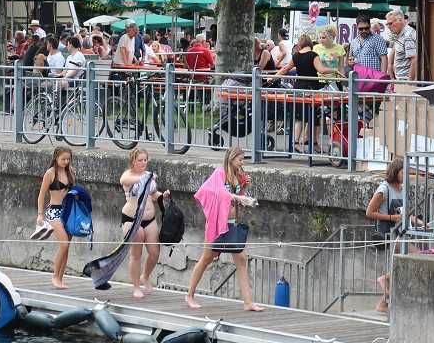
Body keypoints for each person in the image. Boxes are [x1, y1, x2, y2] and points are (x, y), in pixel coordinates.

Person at [185, 146, 264, 312]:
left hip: (232, 223)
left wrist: (243, 187)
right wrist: (235, 196)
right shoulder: (219, 173)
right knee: (206, 259)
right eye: (240, 159)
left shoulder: (237, 175)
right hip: (217, 223)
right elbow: (211, 191)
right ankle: (189, 295)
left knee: (241, 259)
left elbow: (236, 195)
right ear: (232, 158)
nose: (242, 162)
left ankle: (248, 302)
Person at [273, 34, 338, 153]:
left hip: (299, 87)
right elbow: (321, 70)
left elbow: (285, 69)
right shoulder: (314, 55)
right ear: (310, 44)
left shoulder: (296, 56)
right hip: (311, 88)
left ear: (300, 44)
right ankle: (313, 143)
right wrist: (334, 70)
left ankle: (296, 142)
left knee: (300, 117)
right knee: (314, 116)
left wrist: (273, 78)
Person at [119, 149, 169, 298]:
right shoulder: (128, 175)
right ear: (133, 161)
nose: (142, 163)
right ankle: (136, 287)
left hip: (150, 219)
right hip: (132, 220)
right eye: (139, 160)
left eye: (145, 160)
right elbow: (124, 181)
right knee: (136, 254)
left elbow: (153, 195)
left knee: (154, 253)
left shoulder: (148, 175)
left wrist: (163, 195)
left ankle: (145, 276)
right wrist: (146, 177)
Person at [366, 159, 409, 313]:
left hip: (399, 230)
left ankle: (383, 303)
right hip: (388, 231)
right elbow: (369, 212)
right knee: (410, 257)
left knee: (403, 263)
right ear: (395, 172)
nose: (406, 176)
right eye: (403, 173)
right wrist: (392, 218)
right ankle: (384, 279)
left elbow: (405, 213)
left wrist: (422, 223)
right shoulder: (384, 189)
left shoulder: (403, 188)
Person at [32, 146, 77, 289]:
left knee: (67, 246)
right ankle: (55, 277)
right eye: (63, 159)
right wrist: (40, 214)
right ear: (56, 158)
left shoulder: (70, 171)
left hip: (68, 210)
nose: (65, 161)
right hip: (54, 211)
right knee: (63, 244)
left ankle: (61, 277)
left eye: (68, 159)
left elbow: (74, 191)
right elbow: (41, 194)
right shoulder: (50, 173)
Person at [386, 11, 417, 82]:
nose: (388, 27)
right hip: (402, 79)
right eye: (387, 24)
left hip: (405, 80)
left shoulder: (407, 36)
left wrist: (409, 82)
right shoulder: (402, 35)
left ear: (400, 20)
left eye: (390, 23)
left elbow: (415, 60)